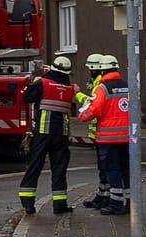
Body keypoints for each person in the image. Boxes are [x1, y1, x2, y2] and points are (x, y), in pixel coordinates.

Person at [18, 56, 76, 214]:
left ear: (52, 68)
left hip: (43, 132)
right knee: (59, 168)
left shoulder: (42, 83)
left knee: (35, 165)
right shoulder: (70, 87)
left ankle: (28, 203)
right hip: (61, 134)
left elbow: (26, 97)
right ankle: (60, 205)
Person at [77, 54, 131, 215]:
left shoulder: (103, 88)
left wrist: (82, 116)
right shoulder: (127, 86)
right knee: (125, 169)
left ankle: (115, 204)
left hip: (108, 138)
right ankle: (128, 202)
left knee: (112, 169)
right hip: (127, 137)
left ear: (101, 70)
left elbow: (94, 109)